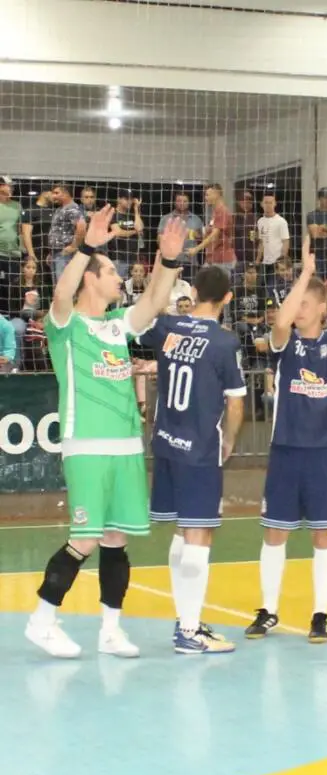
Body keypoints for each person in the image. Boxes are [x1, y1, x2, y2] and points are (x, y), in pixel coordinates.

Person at [24, 208, 187, 659]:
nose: (119, 277)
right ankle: (42, 620)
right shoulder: (66, 325)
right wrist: (88, 247)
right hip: (88, 447)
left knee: (116, 539)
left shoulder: (116, 324)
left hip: (126, 447)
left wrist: (168, 262)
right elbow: (60, 293)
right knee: (86, 537)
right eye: (111, 271)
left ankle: (111, 630)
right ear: (90, 279)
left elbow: (153, 302)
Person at [245, 236, 327, 644]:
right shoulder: (286, 344)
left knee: (324, 535)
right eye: (295, 305)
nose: (297, 311)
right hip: (286, 451)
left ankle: (320, 614)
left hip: (326, 453)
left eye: (305, 305)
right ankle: (268, 610)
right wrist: (306, 275)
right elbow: (278, 323)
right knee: (275, 533)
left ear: (322, 310)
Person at [142, 266, 247, 653]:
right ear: (228, 298)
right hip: (200, 447)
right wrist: (230, 442)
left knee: (180, 532)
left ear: (195, 291)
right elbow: (235, 401)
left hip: (166, 443)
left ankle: (186, 620)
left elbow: (142, 323)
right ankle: (188, 631)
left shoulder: (169, 325)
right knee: (199, 534)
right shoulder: (224, 343)